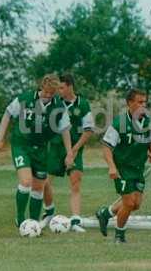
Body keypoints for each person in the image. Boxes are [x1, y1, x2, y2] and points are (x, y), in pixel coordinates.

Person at [0, 74, 74, 226]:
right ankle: (20, 219)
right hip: (21, 145)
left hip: (41, 149)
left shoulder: (58, 106)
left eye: (52, 94)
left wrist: (69, 153)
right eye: (46, 92)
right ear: (41, 87)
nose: (48, 96)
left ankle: (33, 223)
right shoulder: (25, 99)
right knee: (26, 181)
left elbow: (65, 130)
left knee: (39, 187)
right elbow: (8, 114)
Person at [96, 89, 151, 243]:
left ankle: (106, 213)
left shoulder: (149, 121)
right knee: (129, 202)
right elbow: (106, 147)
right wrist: (112, 167)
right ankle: (119, 236)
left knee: (135, 204)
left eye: (145, 102)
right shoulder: (120, 123)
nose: (143, 105)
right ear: (130, 103)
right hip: (122, 168)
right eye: (140, 102)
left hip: (138, 168)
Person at [42, 74, 94, 232]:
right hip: (54, 147)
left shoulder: (83, 104)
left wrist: (73, 150)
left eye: (61, 88)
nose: (58, 91)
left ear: (70, 86)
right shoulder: (53, 103)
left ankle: (75, 220)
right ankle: (49, 212)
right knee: (44, 181)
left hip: (74, 148)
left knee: (75, 181)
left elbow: (89, 130)